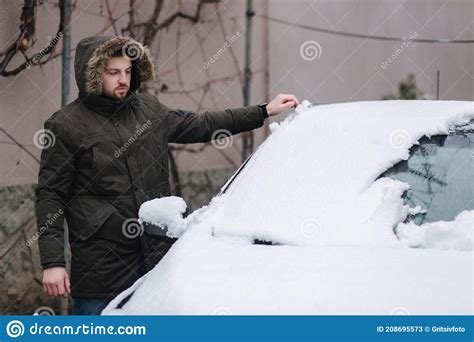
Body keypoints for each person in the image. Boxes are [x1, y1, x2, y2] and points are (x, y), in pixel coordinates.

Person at [36, 36, 300, 315]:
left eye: (127, 71)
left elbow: (201, 124)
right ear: (92, 74)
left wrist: (263, 111)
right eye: (113, 72)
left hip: (155, 260)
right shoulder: (65, 125)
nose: (123, 79)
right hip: (101, 270)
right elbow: (50, 195)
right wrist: (52, 262)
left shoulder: (148, 110)